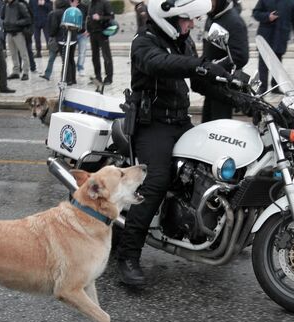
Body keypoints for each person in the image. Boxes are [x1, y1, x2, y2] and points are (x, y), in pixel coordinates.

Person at [116, 0, 233, 285]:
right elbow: (159, 64)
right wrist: (200, 66)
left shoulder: (182, 41)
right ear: (168, 17)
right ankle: (128, 257)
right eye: (187, 20)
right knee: (156, 181)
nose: (191, 25)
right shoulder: (143, 42)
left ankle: (211, 231)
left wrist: (234, 86)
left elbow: (200, 82)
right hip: (152, 124)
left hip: (180, 122)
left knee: (212, 169)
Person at [200, 0, 248, 122]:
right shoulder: (212, 18)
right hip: (210, 83)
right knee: (206, 124)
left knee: (219, 126)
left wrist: (214, 66)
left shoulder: (234, 22)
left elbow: (240, 56)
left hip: (224, 87)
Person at [252, 0, 294, 93]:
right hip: (266, 36)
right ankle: (262, 88)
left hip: (280, 37)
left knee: (277, 64)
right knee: (263, 65)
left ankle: (275, 87)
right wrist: (268, 17)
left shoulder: (290, 2)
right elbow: (255, 13)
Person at [40, 0, 78, 83]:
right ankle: (73, 78)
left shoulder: (55, 13)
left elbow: (54, 27)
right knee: (71, 59)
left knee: (65, 59)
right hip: (73, 38)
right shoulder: (72, 11)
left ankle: (67, 79)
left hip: (62, 39)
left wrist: (52, 35)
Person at [3, 0, 33, 80]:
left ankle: (25, 72)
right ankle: (16, 71)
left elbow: (28, 19)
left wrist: (16, 23)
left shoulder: (20, 5)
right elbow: (3, 17)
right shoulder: (6, 6)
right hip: (9, 33)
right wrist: (5, 23)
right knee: (13, 54)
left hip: (18, 33)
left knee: (23, 53)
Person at [86, 0, 113, 84]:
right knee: (95, 57)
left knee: (106, 56)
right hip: (93, 34)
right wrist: (88, 30)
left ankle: (109, 78)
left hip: (102, 33)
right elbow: (89, 18)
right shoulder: (91, 3)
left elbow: (111, 17)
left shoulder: (105, 3)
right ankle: (98, 77)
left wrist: (100, 17)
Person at [75, 0, 88, 75]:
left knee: (82, 52)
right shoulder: (69, 5)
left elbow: (88, 18)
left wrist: (88, 29)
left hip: (83, 33)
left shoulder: (84, 6)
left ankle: (80, 67)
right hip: (72, 33)